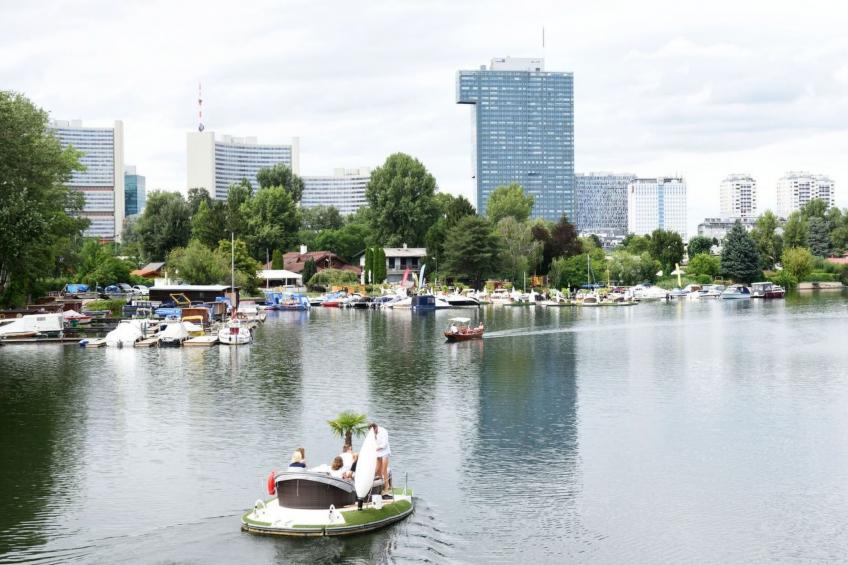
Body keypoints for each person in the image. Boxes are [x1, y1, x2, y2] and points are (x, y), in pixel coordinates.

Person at [370, 422, 391, 495]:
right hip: (377, 452)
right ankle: (380, 486)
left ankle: (386, 487)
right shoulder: (371, 432)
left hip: (384, 451)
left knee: (384, 470)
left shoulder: (383, 431)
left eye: (373, 431)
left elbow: (384, 444)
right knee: (377, 470)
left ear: (375, 427)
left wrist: (376, 448)